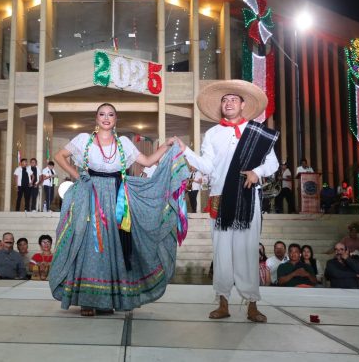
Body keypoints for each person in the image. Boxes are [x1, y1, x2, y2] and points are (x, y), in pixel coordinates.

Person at [48, 102, 187, 316]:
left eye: (110, 114)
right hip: (90, 194)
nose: (106, 118)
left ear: (115, 119)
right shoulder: (84, 139)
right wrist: (79, 177)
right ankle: (87, 300)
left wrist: (166, 146)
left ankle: (108, 298)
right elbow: (59, 156)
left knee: (114, 243)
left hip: (117, 196)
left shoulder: (123, 143)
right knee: (89, 241)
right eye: (102, 114)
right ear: (96, 118)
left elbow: (147, 161)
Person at [178, 80, 278, 322]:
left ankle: (252, 304)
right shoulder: (212, 134)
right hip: (220, 197)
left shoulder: (257, 132)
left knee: (248, 251)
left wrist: (256, 173)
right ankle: (223, 302)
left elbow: (272, 163)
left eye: (234, 99)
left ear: (243, 104)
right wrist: (185, 150)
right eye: (225, 100)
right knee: (221, 252)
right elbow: (207, 166)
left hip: (247, 197)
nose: (229, 103)